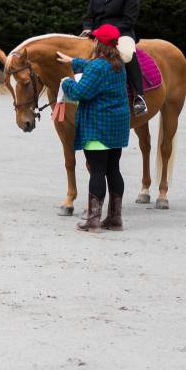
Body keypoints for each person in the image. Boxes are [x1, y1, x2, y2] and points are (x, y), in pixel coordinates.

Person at [56, 24, 131, 232]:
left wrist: (65, 83)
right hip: (117, 127)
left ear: (99, 42)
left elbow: (81, 92)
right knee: (113, 169)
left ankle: (93, 219)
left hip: (98, 127)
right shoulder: (118, 64)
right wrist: (73, 62)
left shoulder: (98, 67)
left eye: (96, 39)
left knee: (97, 171)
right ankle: (115, 219)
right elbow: (91, 67)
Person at [81, 0, 147, 116]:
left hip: (121, 33)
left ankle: (139, 97)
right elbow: (89, 15)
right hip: (97, 33)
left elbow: (129, 21)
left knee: (126, 53)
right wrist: (88, 28)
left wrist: (106, 33)